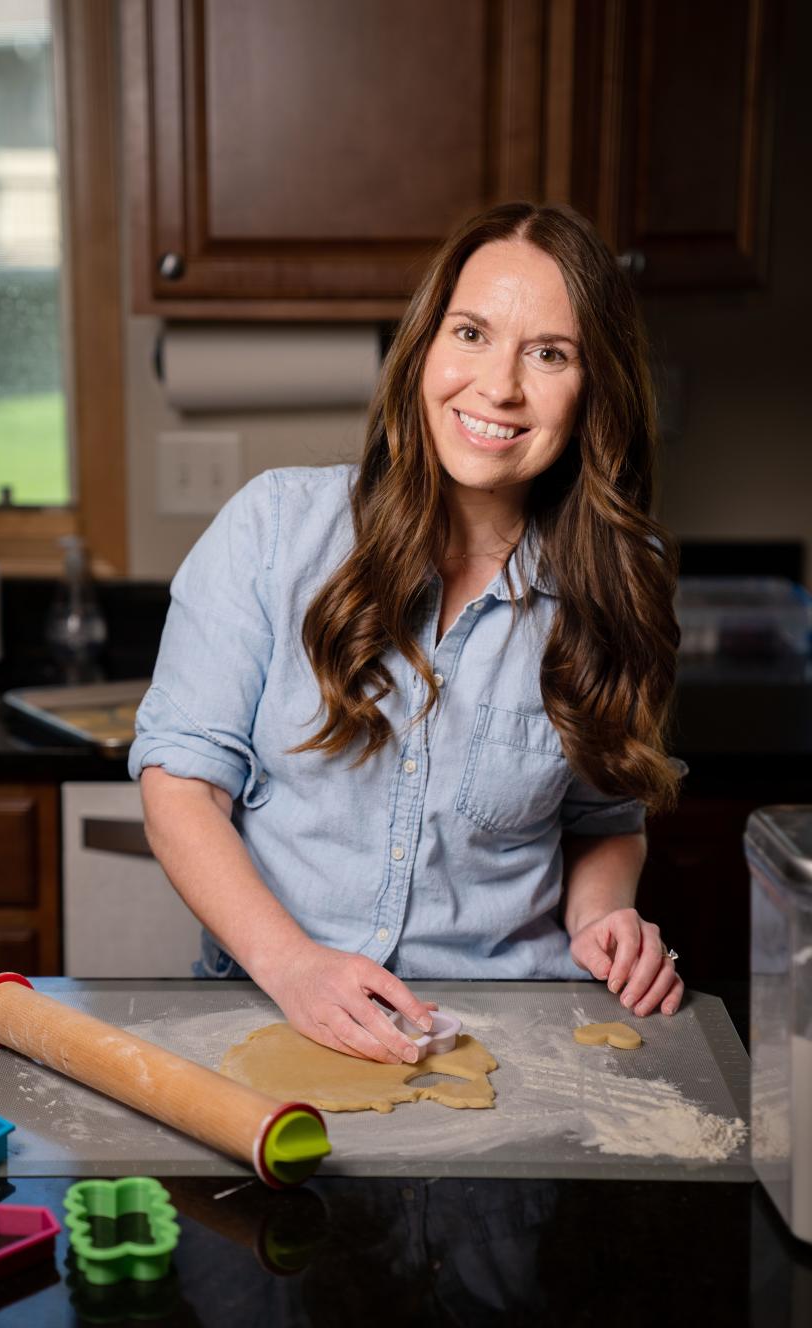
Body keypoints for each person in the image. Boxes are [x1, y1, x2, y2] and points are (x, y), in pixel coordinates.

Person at [130, 200, 685, 1067]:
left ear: (593, 389)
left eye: (549, 354)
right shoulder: (274, 529)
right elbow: (180, 788)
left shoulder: (616, 582)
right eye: (471, 333)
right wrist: (294, 966)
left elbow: (602, 816)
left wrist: (602, 915)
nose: (498, 386)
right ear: (424, 347)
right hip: (269, 1016)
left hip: (516, 1043)